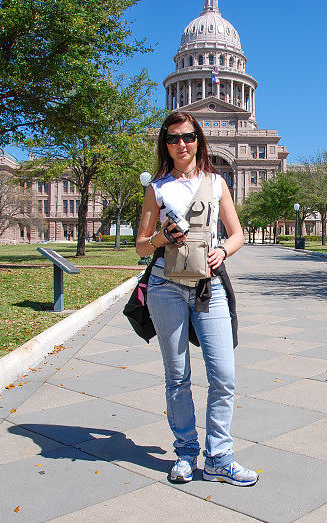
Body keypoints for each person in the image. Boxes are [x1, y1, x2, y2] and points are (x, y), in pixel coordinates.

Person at [134, 111, 258, 487]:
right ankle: (187, 453)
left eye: (188, 136)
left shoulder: (216, 181)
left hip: (209, 286)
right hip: (165, 286)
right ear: (165, 145)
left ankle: (219, 456)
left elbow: (238, 233)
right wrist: (160, 237)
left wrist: (224, 250)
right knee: (178, 376)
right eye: (173, 139)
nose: (181, 144)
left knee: (224, 375)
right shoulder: (156, 188)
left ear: (198, 140)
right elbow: (141, 246)